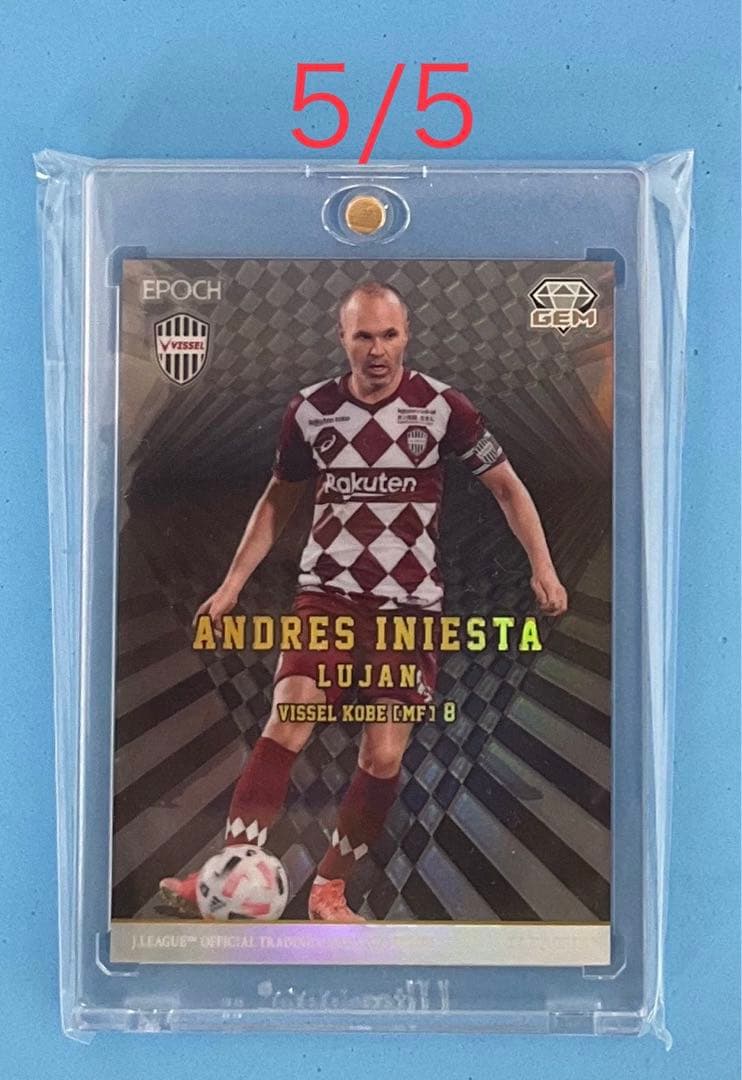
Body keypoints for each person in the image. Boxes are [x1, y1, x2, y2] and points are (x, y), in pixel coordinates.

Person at [160, 281, 567, 922]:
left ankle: (330, 890)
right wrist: (233, 583)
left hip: (409, 608)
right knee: (288, 717)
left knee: (382, 755)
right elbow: (278, 499)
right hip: (328, 595)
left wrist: (543, 565)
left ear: (406, 335)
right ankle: (227, 880)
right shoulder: (310, 410)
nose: (377, 350)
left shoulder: (443, 407)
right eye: (363, 336)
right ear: (343, 338)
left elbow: (508, 488)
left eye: (389, 335)